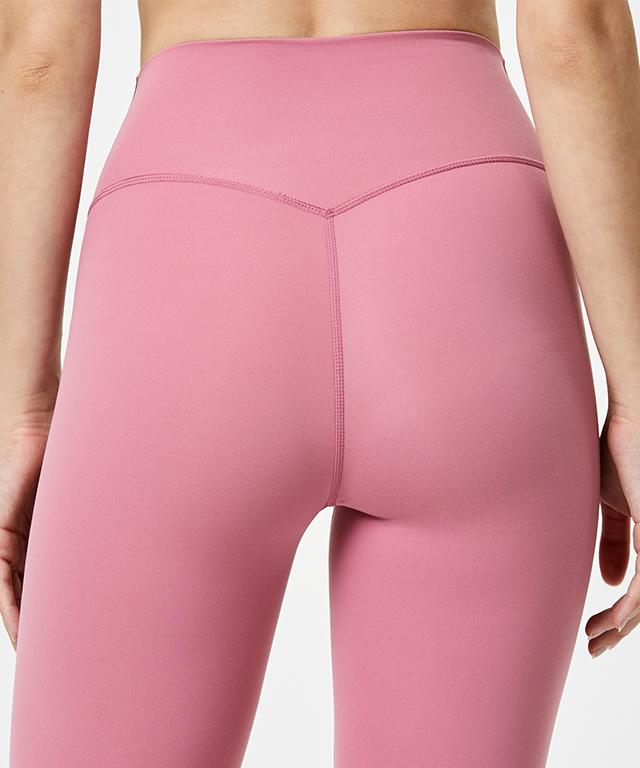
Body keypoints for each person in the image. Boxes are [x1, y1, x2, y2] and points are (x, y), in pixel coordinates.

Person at [1, 1, 639, 766]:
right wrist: (636, 400)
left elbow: (37, 54)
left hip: (190, 255)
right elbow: (574, 34)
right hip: (469, 262)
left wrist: (22, 409)